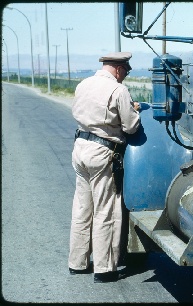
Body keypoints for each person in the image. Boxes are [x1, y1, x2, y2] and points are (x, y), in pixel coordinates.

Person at [68, 51, 141, 283]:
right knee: (105, 210)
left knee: (82, 207)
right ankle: (104, 268)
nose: (125, 76)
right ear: (119, 69)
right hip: (102, 153)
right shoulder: (118, 90)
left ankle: (77, 263)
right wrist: (134, 110)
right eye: (125, 72)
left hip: (80, 146)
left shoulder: (84, 84)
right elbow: (130, 127)